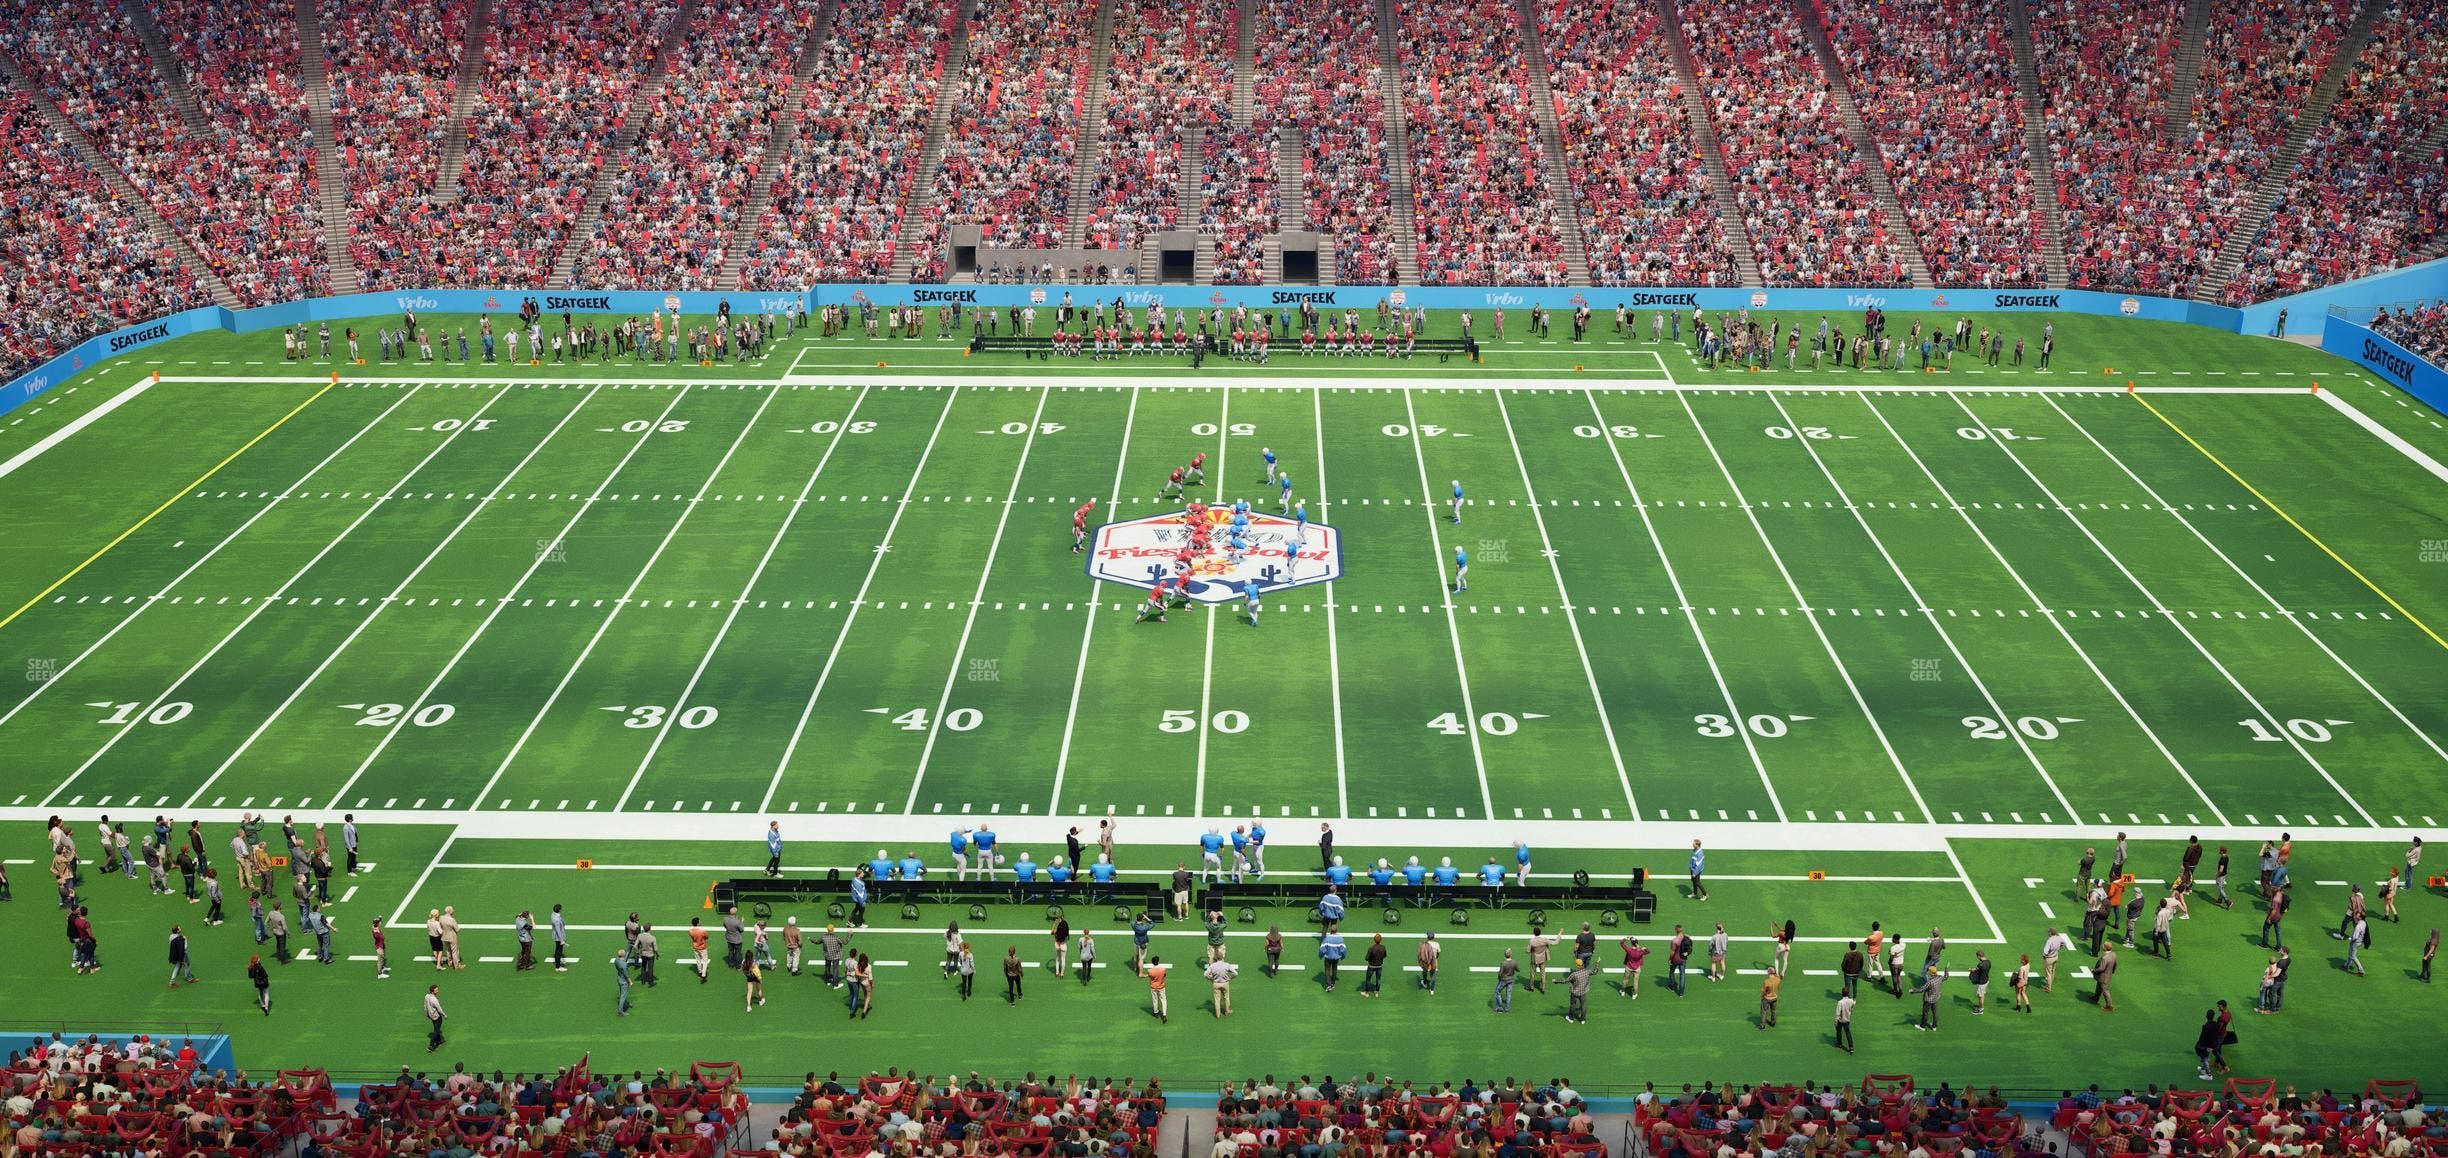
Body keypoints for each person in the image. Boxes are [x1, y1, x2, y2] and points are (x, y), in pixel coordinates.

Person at [2194, 1009, 2224, 1080]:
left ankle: (2209, 1075)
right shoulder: (2217, 1024)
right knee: (2205, 1057)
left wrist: (2199, 1043)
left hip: (2207, 1044)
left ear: (2206, 1016)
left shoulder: (2206, 1026)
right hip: (2213, 1044)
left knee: (2205, 1058)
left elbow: (2203, 1036)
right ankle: (2203, 1069)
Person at [1917, 967, 1944, 1031]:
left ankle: (1922, 1026)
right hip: (1935, 998)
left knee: (1925, 1013)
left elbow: (1921, 989)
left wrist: (1913, 990)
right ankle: (1934, 1026)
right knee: (1935, 1012)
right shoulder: (1940, 977)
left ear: (1930, 972)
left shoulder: (1930, 981)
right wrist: (1946, 969)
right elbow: (1946, 977)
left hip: (1928, 1000)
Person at [2094, 946, 2118, 1012]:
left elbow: (2101, 968)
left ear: (2105, 948)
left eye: (2103, 946)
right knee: (2099, 985)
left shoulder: (2105, 958)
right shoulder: (2113, 954)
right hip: (2107, 975)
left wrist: (2094, 970)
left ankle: (2109, 1006)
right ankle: (2095, 998)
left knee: (2105, 990)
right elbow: (2115, 964)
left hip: (2103, 976)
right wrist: (2112, 971)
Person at [1148, 955, 1171, 1022]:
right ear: (1158, 961)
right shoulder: (1163, 969)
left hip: (1153, 987)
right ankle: (1164, 1015)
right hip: (1161, 987)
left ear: (1152, 962)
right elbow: (1164, 975)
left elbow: (1150, 977)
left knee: (1155, 1000)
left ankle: (1156, 1013)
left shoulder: (1150, 971)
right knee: (1163, 1000)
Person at [424, 985, 446, 1051]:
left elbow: (425, 1005)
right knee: (436, 1031)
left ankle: (439, 1040)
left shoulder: (426, 996)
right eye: (436, 990)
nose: (438, 991)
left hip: (431, 1016)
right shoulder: (435, 1000)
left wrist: (427, 1013)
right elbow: (439, 1009)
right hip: (437, 1017)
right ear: (433, 992)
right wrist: (444, 1015)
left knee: (437, 1028)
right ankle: (431, 1046)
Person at [613, 948, 632, 1017]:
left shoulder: (616, 960)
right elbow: (626, 974)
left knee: (622, 993)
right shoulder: (624, 964)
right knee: (623, 996)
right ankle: (620, 1011)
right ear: (624, 955)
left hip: (619, 978)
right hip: (624, 981)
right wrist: (630, 982)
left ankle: (625, 1004)